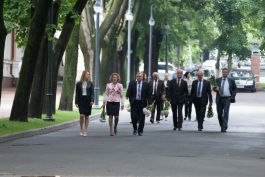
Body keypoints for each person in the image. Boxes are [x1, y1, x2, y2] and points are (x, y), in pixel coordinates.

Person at [126, 72, 149, 136]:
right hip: (134, 102)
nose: (139, 77)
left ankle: (140, 130)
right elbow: (129, 91)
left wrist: (149, 103)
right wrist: (128, 97)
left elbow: (148, 94)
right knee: (133, 116)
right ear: (136, 77)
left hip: (142, 102)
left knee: (142, 117)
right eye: (138, 76)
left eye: (140, 76)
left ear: (142, 77)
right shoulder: (132, 83)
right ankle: (135, 128)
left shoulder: (146, 84)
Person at [214, 68, 237, 132]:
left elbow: (235, 89)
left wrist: (232, 96)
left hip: (227, 98)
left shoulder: (231, 80)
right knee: (219, 113)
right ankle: (222, 125)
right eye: (224, 72)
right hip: (219, 98)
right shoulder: (218, 80)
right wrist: (216, 89)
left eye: (226, 72)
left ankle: (224, 126)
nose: (225, 73)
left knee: (226, 113)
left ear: (228, 73)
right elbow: (214, 88)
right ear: (222, 73)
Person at [75, 70, 94, 137]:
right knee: (82, 115)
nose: (88, 75)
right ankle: (81, 129)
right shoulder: (78, 83)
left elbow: (92, 93)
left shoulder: (90, 83)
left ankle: (85, 130)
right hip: (81, 100)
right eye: (87, 74)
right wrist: (76, 102)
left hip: (88, 101)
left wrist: (92, 100)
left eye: (89, 74)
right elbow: (77, 93)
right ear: (84, 75)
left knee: (87, 116)